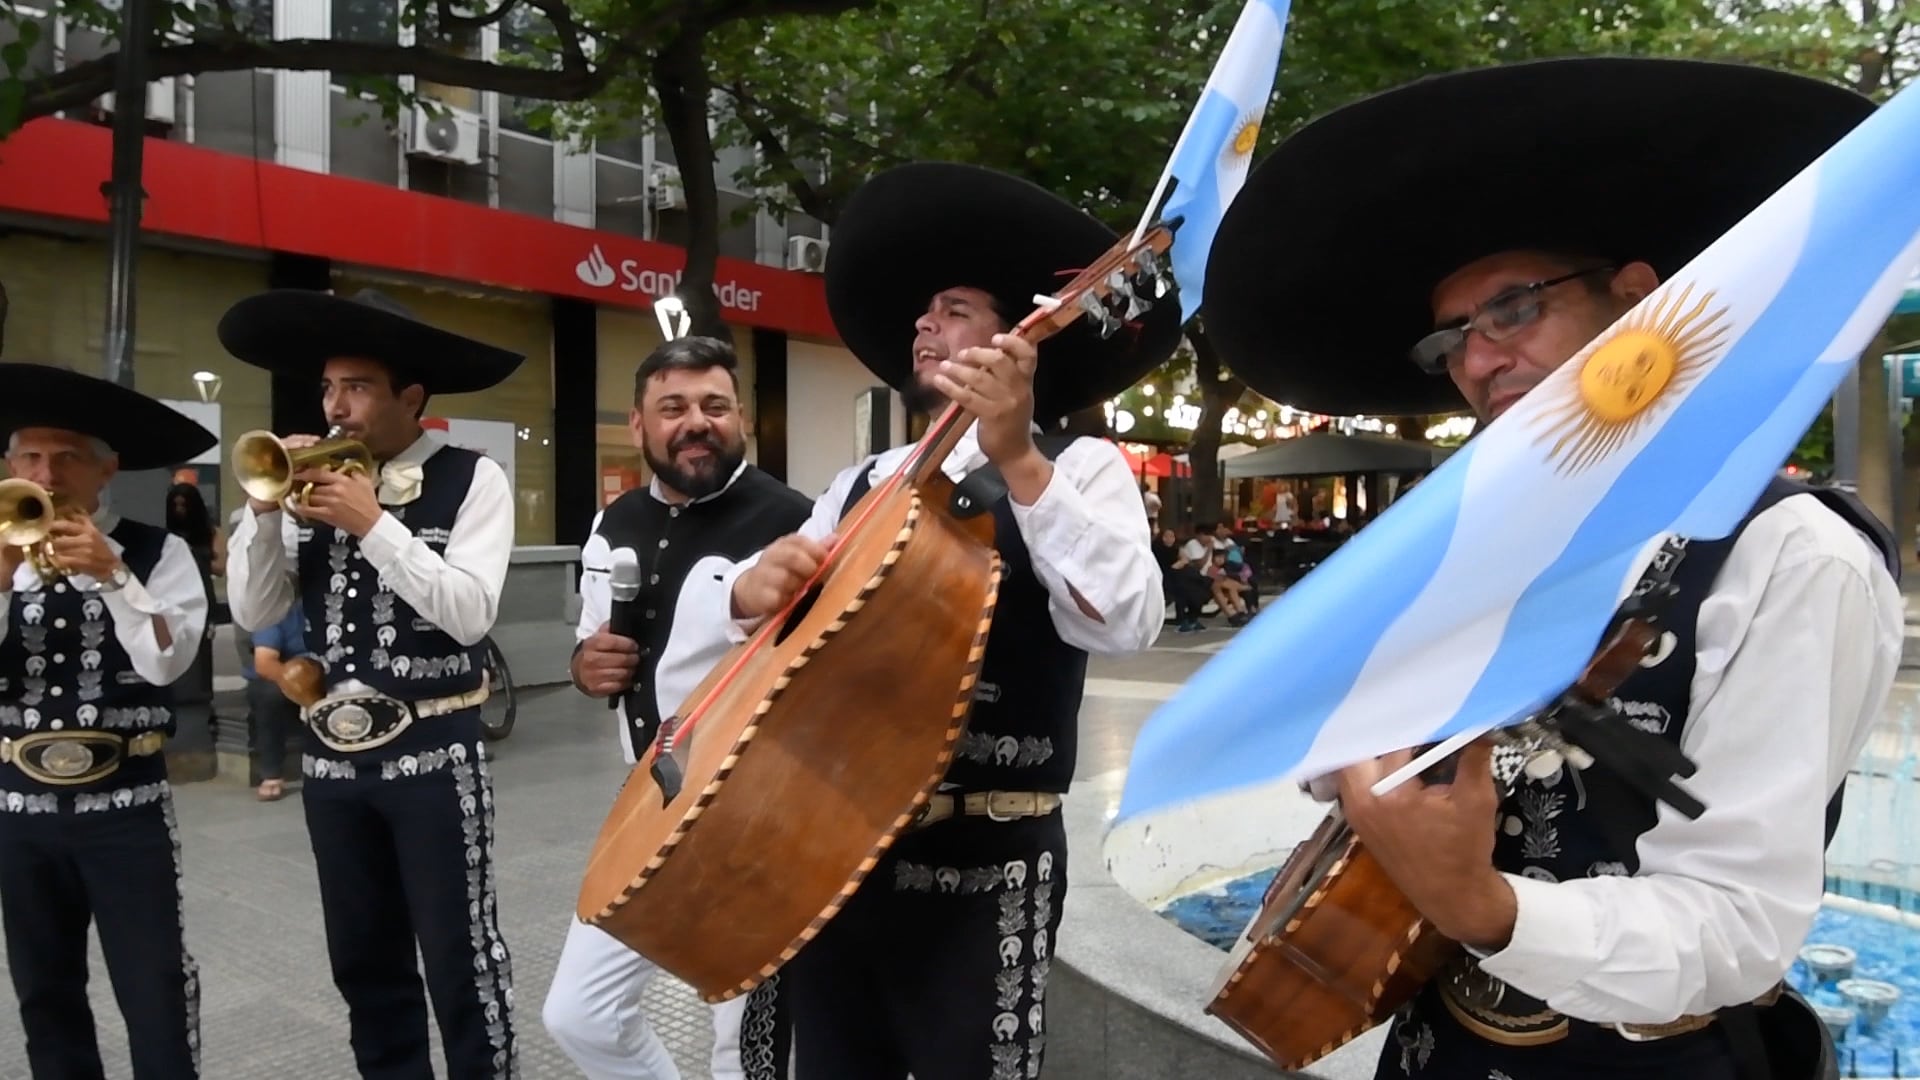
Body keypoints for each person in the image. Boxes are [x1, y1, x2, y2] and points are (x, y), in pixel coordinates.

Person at [1202, 56, 1904, 1079]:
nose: (1478, 361)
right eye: (1452, 342)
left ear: (1639, 303)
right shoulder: (1476, 542)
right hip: (1432, 1042)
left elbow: (1737, 927)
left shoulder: (1793, 554)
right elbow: (1349, 759)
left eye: (1515, 309)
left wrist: (1483, 906)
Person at [716, 162, 1179, 1080]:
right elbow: (763, 640)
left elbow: (1128, 621)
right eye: (924, 311)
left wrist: (1017, 457)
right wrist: (751, 590)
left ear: (1018, 338)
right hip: (837, 851)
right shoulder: (856, 481)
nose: (924, 323)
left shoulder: (1080, 466)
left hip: (990, 859)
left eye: (956, 306)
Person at [219, 287, 524, 1079]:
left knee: (461, 959)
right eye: (328, 388)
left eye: (355, 386)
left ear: (410, 397)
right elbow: (256, 611)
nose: (335, 407)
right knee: (363, 961)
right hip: (332, 764)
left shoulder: (471, 477)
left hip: (436, 757)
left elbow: (469, 614)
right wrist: (263, 513)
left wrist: (373, 524)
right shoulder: (304, 493)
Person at [543, 335, 812, 1080]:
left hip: (753, 820)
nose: (696, 421)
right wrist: (582, 664)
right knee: (579, 1014)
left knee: (747, 1048)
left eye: (714, 405)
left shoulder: (798, 520)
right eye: (674, 407)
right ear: (638, 425)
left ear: (743, 420)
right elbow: (591, 635)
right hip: (646, 807)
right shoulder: (613, 520)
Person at [0, 361, 216, 1079]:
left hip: (125, 808)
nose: (47, 472)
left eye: (66, 457)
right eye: (30, 455)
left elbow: (167, 664)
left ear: (106, 470)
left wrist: (115, 576)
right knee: (45, 992)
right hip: (19, 812)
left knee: (154, 988)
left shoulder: (161, 552)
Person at [242, 603, 309, 801]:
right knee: (268, 695)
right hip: (283, 674)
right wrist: (302, 688)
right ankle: (271, 773)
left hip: (324, 670)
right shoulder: (274, 610)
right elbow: (265, 663)